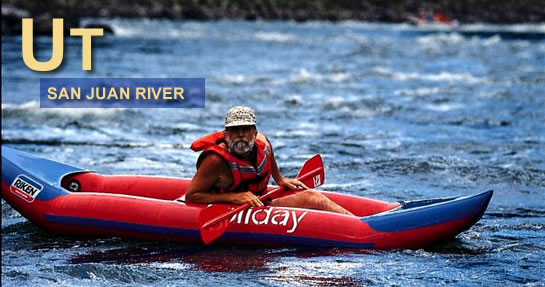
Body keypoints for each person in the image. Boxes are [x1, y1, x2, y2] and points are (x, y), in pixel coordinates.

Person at [182, 106, 353, 215]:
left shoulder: (262, 143)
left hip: (260, 201)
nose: (241, 134)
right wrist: (234, 198)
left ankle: (358, 222)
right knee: (312, 199)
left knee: (313, 198)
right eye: (235, 130)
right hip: (227, 208)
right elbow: (191, 196)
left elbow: (269, 151)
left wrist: (279, 178)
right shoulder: (215, 160)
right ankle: (361, 227)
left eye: (246, 129)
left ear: (254, 133)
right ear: (226, 135)